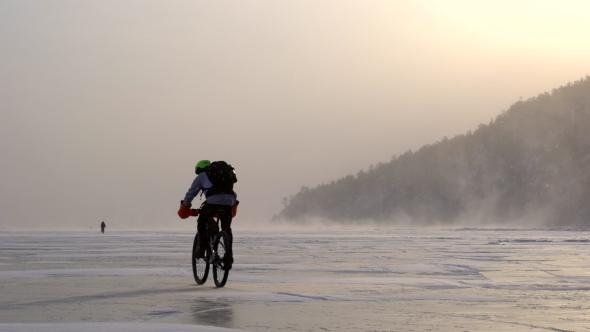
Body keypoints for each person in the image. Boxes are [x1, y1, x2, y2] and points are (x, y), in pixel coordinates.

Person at [178, 160, 237, 268]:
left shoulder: (202, 175)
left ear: (199, 169)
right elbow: (232, 193)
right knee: (226, 228)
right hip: (229, 202)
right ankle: (229, 256)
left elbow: (191, 193)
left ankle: (201, 248)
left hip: (212, 203)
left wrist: (185, 206)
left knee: (202, 221)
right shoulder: (223, 174)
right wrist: (232, 205)